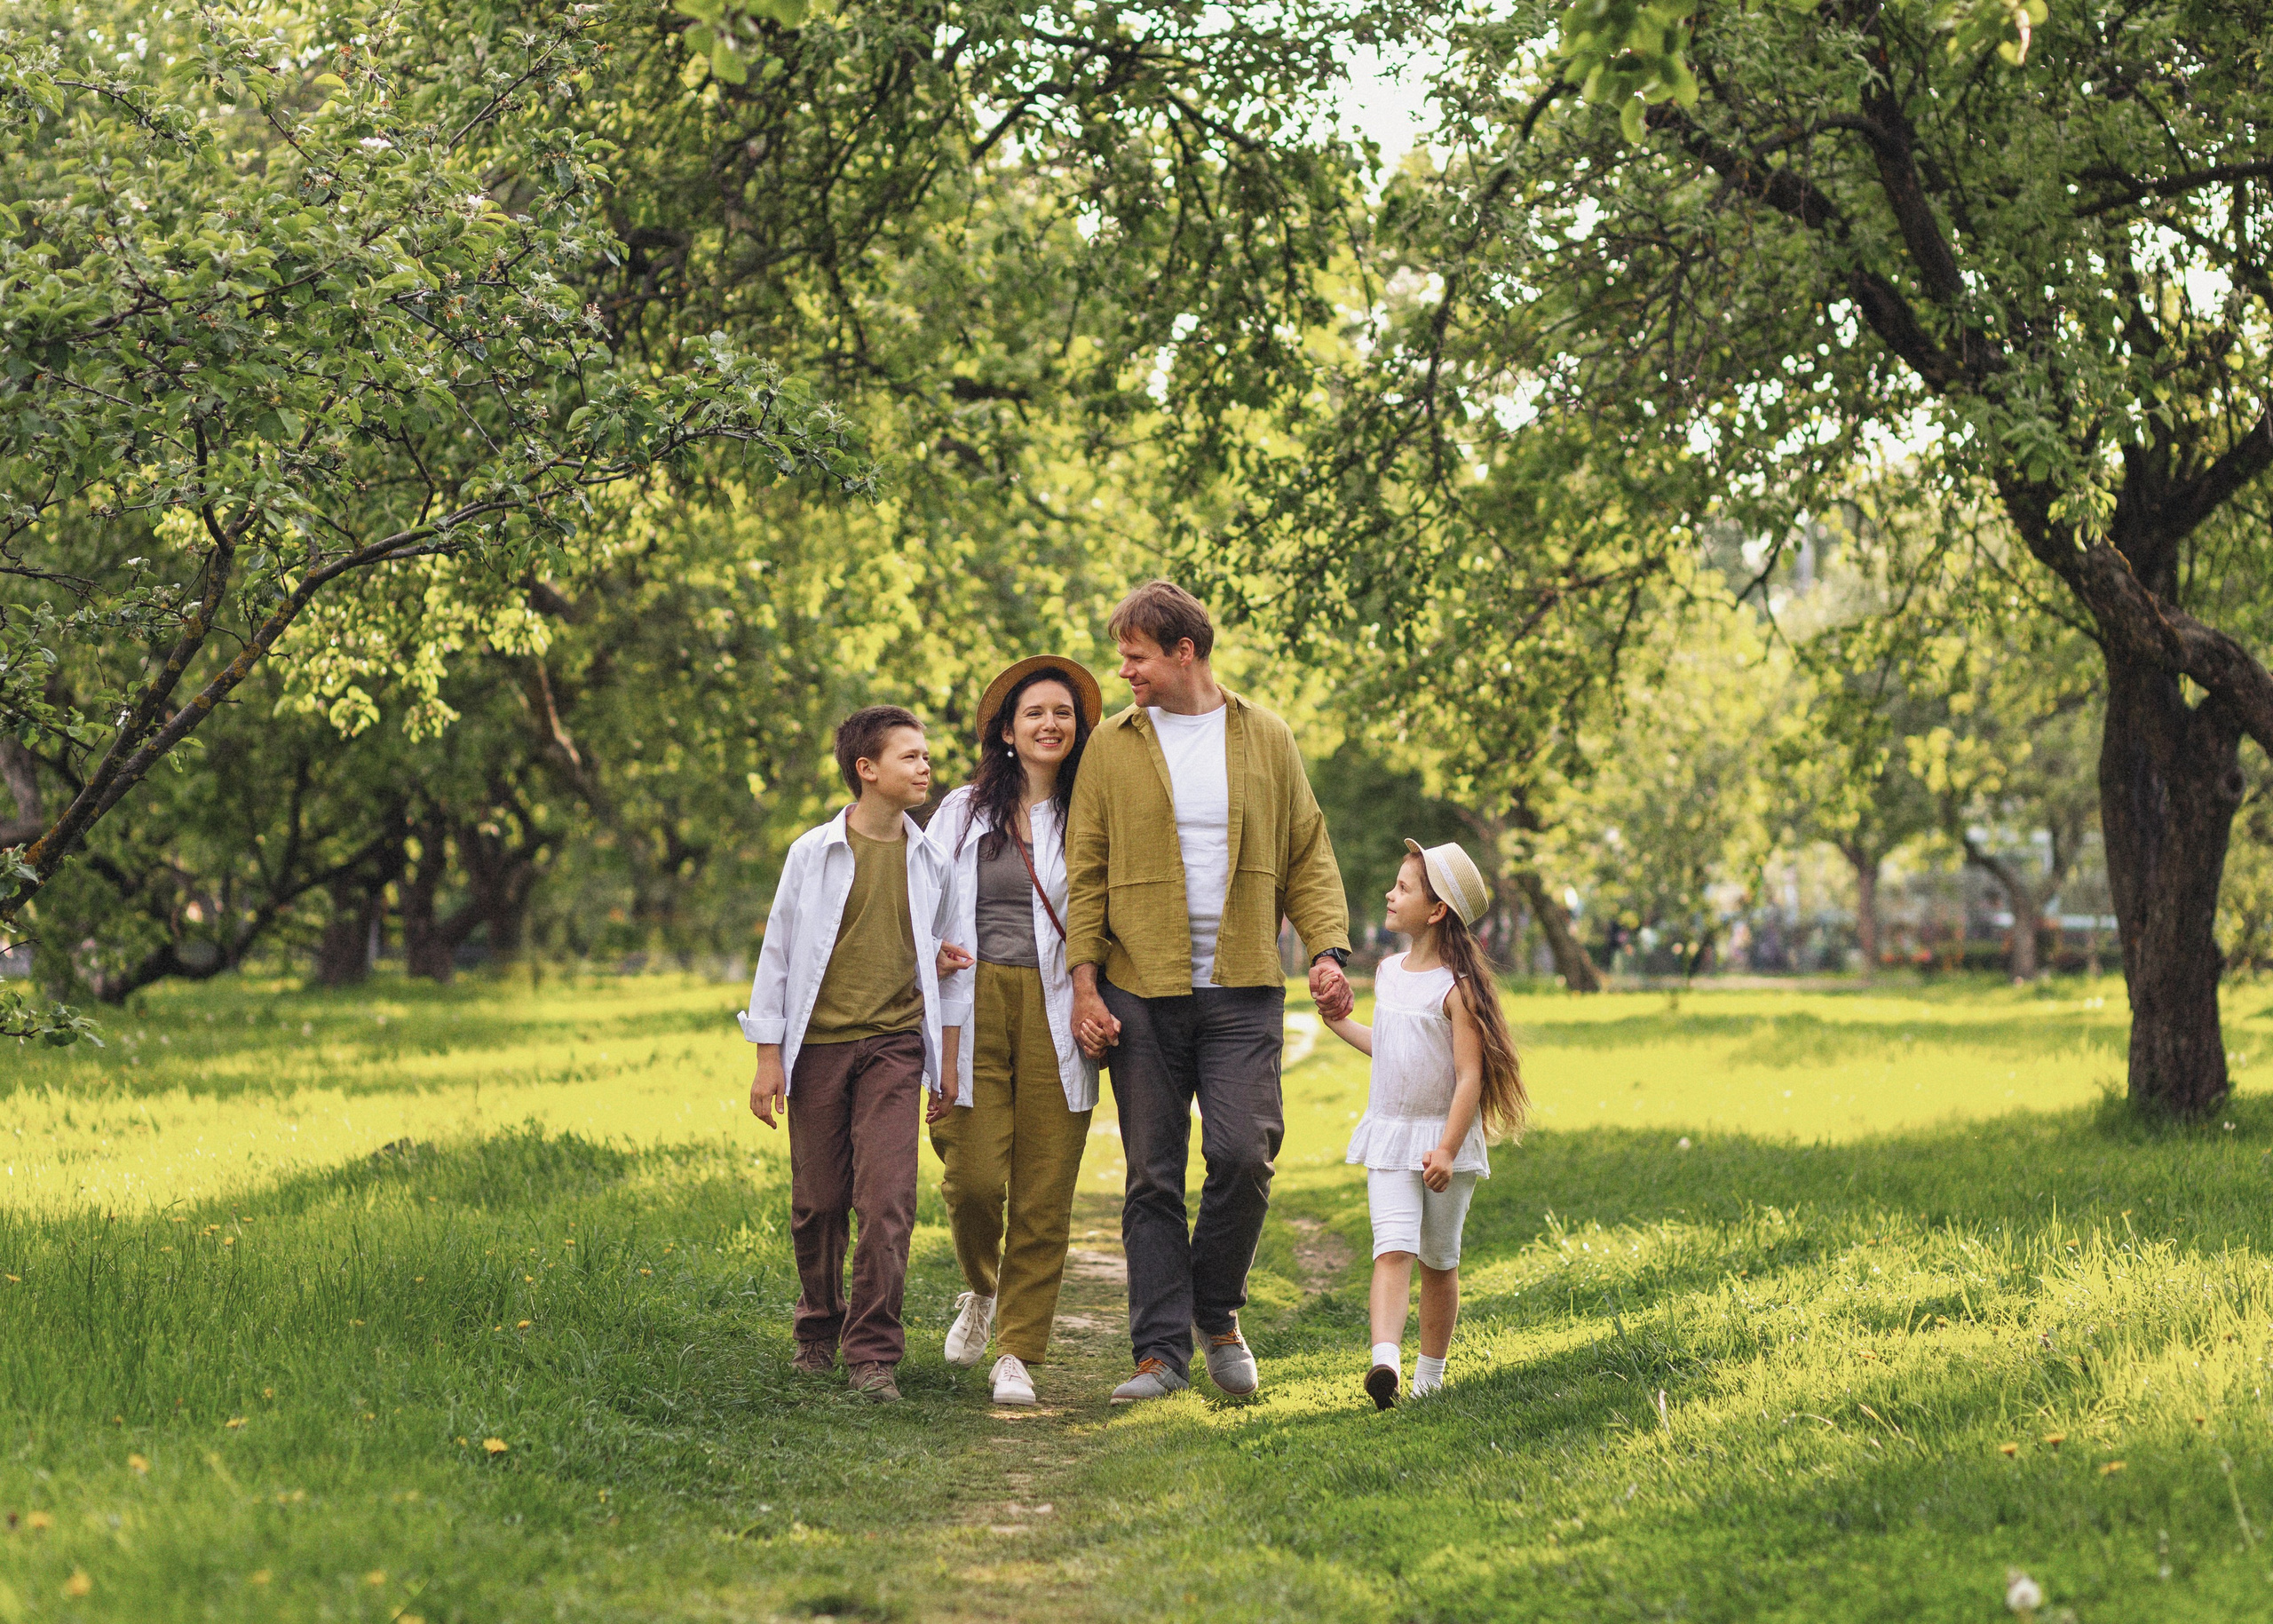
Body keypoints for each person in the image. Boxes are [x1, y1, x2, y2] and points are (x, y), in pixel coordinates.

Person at [1065, 580, 1355, 1404]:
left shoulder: (1266, 735)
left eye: (1137, 656)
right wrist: (1085, 986)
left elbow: (1307, 849)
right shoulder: (1111, 746)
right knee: (1152, 1176)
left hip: (1242, 984)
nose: (1125, 671)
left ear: (1183, 651)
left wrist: (1327, 949)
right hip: (1138, 988)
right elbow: (1086, 871)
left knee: (1244, 1152)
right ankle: (1160, 1353)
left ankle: (1216, 1310)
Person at [741, 706, 956, 1403]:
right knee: (819, 1203)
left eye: (925, 755)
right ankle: (816, 1332)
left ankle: (873, 1354)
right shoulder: (812, 853)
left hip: (895, 1047)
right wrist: (768, 1057)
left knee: (888, 1201)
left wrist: (945, 1058)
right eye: (910, 755)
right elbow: (778, 954)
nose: (925, 766)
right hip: (818, 1050)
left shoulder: (932, 859)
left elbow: (942, 956)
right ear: (867, 769)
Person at [928, 656, 1105, 1407]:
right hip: (969, 1003)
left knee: (1043, 1190)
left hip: (1058, 1005)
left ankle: (1017, 1353)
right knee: (971, 1178)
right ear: (1007, 730)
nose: (1050, 724)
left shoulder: (1091, 811)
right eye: (1034, 712)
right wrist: (929, 949)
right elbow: (919, 896)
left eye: (1063, 712)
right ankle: (981, 1287)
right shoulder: (961, 811)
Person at [1320, 839, 1527, 1409]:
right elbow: (1390, 1048)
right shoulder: (1388, 972)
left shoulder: (1456, 989)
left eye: (1403, 888)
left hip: (1443, 1144)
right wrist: (1338, 1023)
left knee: (1439, 1260)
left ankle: (1429, 1377)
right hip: (1390, 1135)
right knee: (1391, 1247)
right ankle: (1385, 1362)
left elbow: (1469, 1077)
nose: (1390, 895)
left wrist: (1448, 1149)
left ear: (1437, 911)